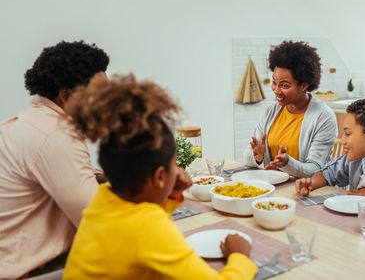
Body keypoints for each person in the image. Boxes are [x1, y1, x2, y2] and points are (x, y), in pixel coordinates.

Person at [63, 74, 257, 279]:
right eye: (173, 165)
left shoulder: (104, 200)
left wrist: (170, 194)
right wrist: (239, 256)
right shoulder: (147, 227)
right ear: (159, 177)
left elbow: (144, 225)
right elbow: (149, 231)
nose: (178, 171)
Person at [0, 41, 110, 278]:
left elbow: (67, 175)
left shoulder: (30, 122)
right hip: (30, 273)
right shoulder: (55, 135)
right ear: (67, 95)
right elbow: (100, 225)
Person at [243, 41, 338, 178]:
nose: (276, 90)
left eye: (285, 86)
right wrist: (258, 157)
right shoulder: (270, 112)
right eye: (274, 83)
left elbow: (316, 169)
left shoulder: (323, 116)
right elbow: (247, 156)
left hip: (306, 191)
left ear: (304, 85)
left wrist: (287, 163)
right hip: (273, 188)